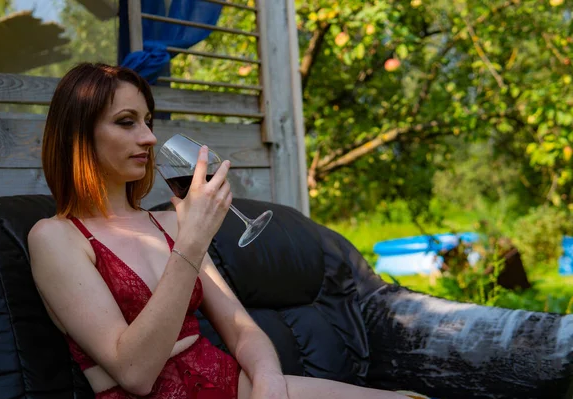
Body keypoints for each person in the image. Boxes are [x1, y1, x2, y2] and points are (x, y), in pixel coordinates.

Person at [28, 63, 409, 399]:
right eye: (127, 122)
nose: (149, 137)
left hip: (233, 387)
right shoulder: (55, 237)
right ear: (78, 134)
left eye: (148, 121)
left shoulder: (170, 223)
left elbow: (242, 329)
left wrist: (270, 384)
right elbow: (134, 374)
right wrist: (192, 242)